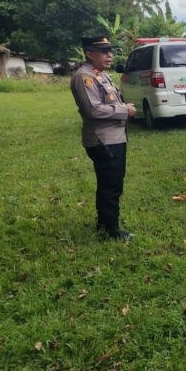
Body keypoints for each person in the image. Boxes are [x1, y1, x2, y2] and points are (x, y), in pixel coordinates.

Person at [70, 35, 136, 241]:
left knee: (111, 183)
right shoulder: (85, 77)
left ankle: (104, 223)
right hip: (103, 140)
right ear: (89, 53)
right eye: (104, 51)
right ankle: (111, 231)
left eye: (110, 51)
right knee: (111, 186)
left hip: (113, 138)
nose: (110, 55)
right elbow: (93, 110)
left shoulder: (100, 74)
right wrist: (124, 109)